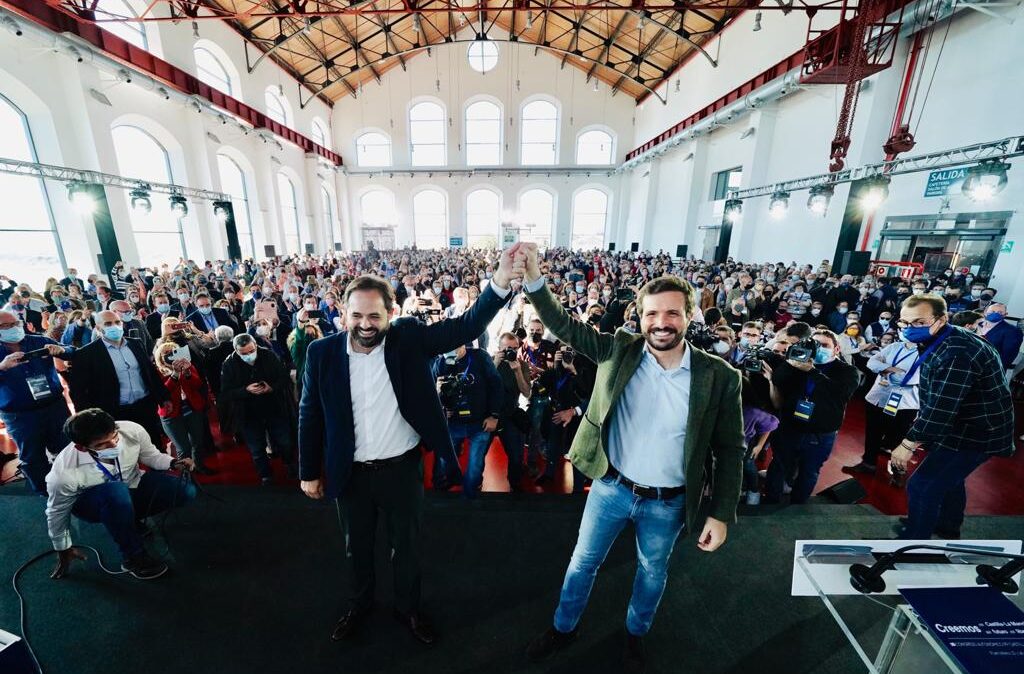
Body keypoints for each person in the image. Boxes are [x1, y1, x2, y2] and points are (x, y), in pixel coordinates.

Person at [518, 244, 745, 672]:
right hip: (611, 487)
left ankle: (634, 636)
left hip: (670, 502)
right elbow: (563, 325)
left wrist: (721, 513)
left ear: (690, 315)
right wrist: (535, 281)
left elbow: (731, 448)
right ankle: (563, 628)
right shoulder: (619, 349)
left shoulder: (719, 376)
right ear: (639, 318)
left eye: (672, 313)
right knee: (582, 563)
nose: (661, 323)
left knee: (651, 572)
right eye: (652, 314)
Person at [297, 246, 523, 647]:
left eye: (374, 316)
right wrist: (308, 471)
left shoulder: (409, 339)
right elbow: (309, 413)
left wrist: (500, 282)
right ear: (342, 313)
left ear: (391, 313)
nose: (365, 325)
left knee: (408, 549)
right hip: (350, 476)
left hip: (401, 471)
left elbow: (464, 327)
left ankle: (409, 610)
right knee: (357, 550)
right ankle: (359, 605)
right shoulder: (321, 353)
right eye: (357, 315)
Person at [891, 295, 1015, 539]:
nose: (909, 329)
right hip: (961, 425)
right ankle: (946, 527)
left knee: (922, 486)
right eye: (905, 323)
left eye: (918, 322)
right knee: (949, 481)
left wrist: (907, 444)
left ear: (941, 319)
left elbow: (942, 407)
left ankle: (915, 544)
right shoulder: (944, 336)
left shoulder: (958, 352)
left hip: (977, 432)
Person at [45, 409, 196, 581]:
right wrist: (63, 547)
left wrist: (173, 463)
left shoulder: (132, 430)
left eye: (115, 437)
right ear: (82, 447)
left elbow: (150, 455)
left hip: (131, 486)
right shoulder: (63, 474)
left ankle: (128, 520)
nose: (114, 445)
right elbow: (57, 512)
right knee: (115, 492)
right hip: (91, 503)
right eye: (102, 445)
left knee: (186, 491)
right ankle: (133, 556)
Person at [763, 329, 860, 504]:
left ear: (836, 349)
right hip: (790, 427)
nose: (819, 348)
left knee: (809, 471)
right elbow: (778, 379)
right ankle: (770, 501)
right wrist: (791, 362)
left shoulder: (848, 371)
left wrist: (812, 371)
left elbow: (839, 393)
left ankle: (798, 505)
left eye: (824, 345)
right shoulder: (800, 363)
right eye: (816, 344)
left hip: (820, 433)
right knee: (778, 465)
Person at [65, 310, 170, 446]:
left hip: (145, 406)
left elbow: (150, 373)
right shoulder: (87, 354)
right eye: (108, 324)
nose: (114, 326)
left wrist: (163, 397)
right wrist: (90, 418)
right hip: (114, 412)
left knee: (153, 445)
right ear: (98, 328)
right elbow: (78, 391)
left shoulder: (136, 344)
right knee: (123, 451)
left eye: (117, 322)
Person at [0, 310, 74, 494]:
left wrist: (62, 351)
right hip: (19, 415)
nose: (15, 328)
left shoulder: (38, 341)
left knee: (67, 448)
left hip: (54, 407)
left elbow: (71, 351)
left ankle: (74, 485)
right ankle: (45, 493)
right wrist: (2, 367)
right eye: (7, 326)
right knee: (32, 457)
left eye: (16, 323)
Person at [220, 334, 297, 485]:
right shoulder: (229, 364)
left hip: (273, 406)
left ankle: (289, 464)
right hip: (248, 412)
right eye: (244, 353)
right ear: (236, 350)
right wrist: (245, 390)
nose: (249, 355)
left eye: (251, 351)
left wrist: (271, 387)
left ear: (255, 345)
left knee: (285, 441)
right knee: (256, 447)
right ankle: (265, 475)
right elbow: (226, 393)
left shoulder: (269, 355)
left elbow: (284, 379)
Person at [431, 344, 503, 496]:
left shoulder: (480, 357)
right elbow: (430, 395)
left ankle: (468, 501)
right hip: (453, 423)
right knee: (445, 463)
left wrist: (494, 415)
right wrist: (438, 394)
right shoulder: (441, 362)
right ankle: (445, 490)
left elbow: (496, 385)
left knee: (475, 467)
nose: (451, 350)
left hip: (480, 423)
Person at [844, 335, 921, 476]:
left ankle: (898, 472)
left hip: (906, 402)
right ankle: (868, 463)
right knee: (873, 432)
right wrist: (892, 369)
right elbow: (872, 363)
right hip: (878, 396)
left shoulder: (928, 352)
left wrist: (884, 369)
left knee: (898, 436)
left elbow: (910, 378)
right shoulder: (895, 346)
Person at [153, 342, 216, 475]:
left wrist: (187, 372)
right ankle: (186, 475)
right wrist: (175, 375)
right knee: (183, 448)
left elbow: (198, 384)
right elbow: (163, 392)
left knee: (198, 442)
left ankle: (199, 465)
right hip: (171, 414)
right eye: (166, 353)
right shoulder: (157, 372)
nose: (171, 355)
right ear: (160, 357)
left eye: (174, 352)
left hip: (192, 409)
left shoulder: (188, 365)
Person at [492, 332, 532, 491]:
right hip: (490, 414)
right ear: (500, 348)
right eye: (508, 349)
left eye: (515, 348)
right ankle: (475, 484)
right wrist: (494, 365)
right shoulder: (490, 362)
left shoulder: (521, 365)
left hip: (510, 414)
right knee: (478, 456)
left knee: (516, 456)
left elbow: (527, 392)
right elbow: (483, 389)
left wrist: (517, 372)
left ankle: (515, 485)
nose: (512, 352)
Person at [978, 302, 1022, 376]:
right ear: (985, 312)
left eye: (1000, 312)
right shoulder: (977, 325)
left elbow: (1008, 356)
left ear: (1005, 314)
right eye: (992, 311)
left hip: (990, 371)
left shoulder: (1012, 331)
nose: (995, 314)